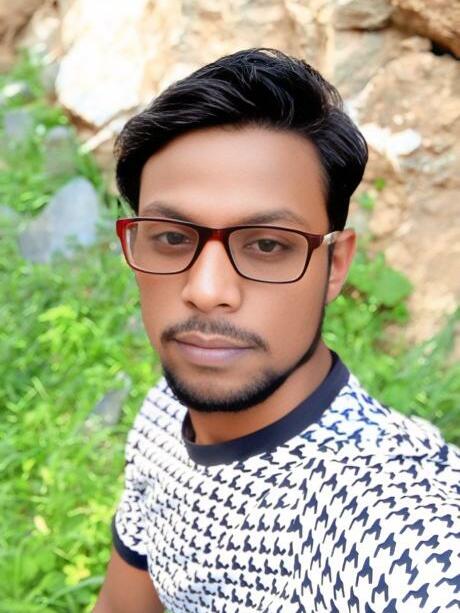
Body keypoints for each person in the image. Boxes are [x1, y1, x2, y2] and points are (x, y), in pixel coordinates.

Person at [94, 48, 459, 613]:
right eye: (171, 237)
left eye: (267, 245)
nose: (207, 289)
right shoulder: (164, 413)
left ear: (335, 266)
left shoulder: (401, 538)